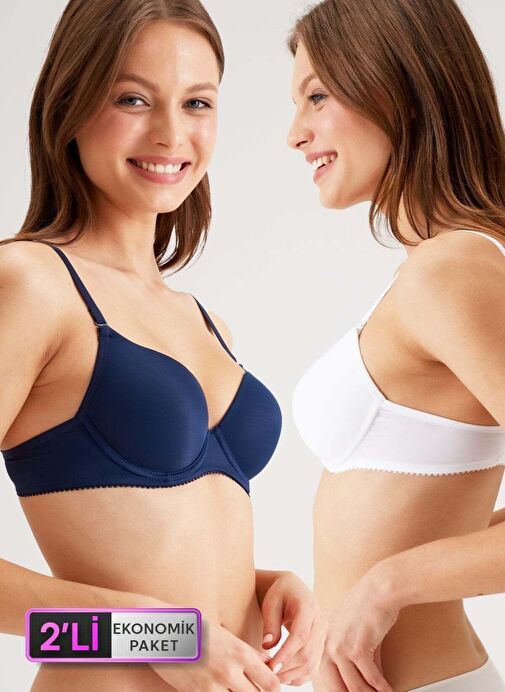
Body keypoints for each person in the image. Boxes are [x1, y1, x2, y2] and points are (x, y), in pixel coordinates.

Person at [0, 1, 326, 690]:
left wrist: (264, 585)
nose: (171, 133)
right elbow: (130, 624)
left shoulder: (205, 323)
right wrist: (160, 635)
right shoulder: (30, 283)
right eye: (132, 99)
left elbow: (160, 556)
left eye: (196, 102)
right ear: (69, 104)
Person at [287, 0, 505, 690]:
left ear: (394, 83)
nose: (295, 133)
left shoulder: (453, 271)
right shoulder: (433, 271)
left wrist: (392, 582)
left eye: (316, 96)